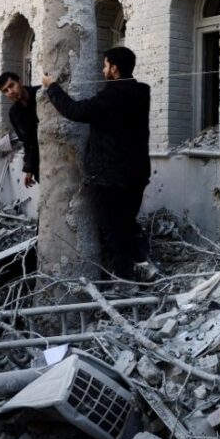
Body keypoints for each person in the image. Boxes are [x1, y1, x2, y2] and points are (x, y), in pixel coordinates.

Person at [41, 47, 153, 281]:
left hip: (110, 175)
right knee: (126, 223)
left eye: (105, 65)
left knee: (113, 230)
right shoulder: (142, 93)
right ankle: (144, 265)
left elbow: (75, 111)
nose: (102, 70)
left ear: (114, 68)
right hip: (137, 172)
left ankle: (125, 280)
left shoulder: (111, 97)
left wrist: (52, 87)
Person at [0, 72, 40, 187]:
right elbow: (28, 142)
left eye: (12, 85)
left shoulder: (40, 94)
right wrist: (29, 169)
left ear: (19, 82)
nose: (11, 92)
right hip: (41, 165)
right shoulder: (14, 113)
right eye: (5, 91)